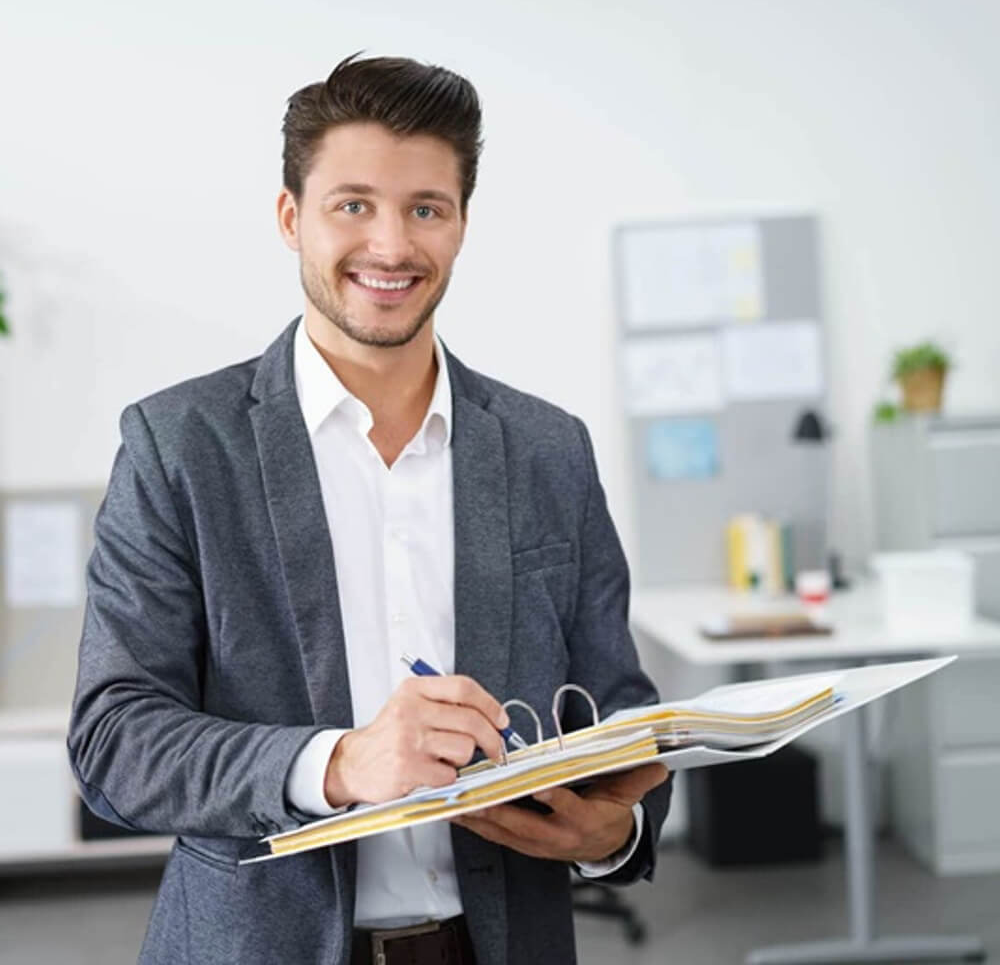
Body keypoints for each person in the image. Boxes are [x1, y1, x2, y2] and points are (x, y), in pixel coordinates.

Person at [68, 53, 672, 965]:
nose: (391, 246)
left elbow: (621, 711)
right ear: (290, 218)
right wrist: (341, 764)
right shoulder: (180, 446)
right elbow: (117, 741)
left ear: (462, 224)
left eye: (425, 208)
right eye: (352, 204)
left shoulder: (550, 450)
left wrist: (612, 834)